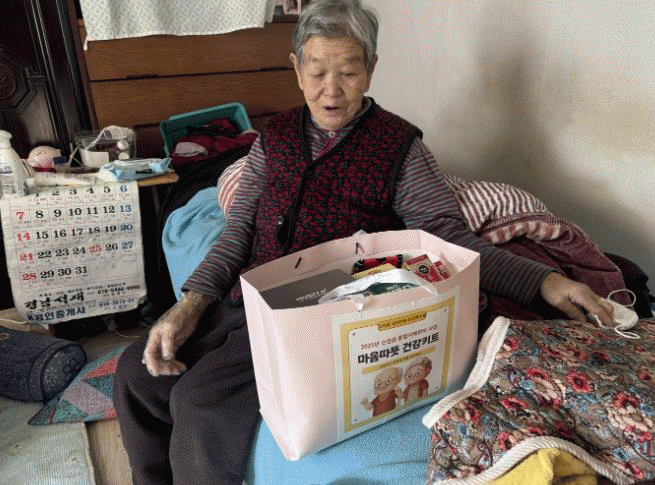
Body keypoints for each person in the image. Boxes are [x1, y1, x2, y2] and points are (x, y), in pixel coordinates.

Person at [113, 1, 615, 484]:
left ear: (371, 69)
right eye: (316, 71)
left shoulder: (400, 148)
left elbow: (450, 239)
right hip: (246, 299)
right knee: (136, 375)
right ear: (296, 68)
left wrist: (545, 281)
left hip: (316, 314)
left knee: (200, 402)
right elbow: (238, 230)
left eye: (349, 72)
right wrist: (191, 303)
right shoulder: (274, 138)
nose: (331, 90)